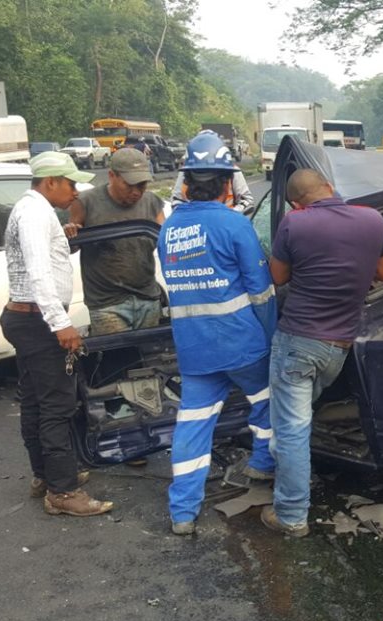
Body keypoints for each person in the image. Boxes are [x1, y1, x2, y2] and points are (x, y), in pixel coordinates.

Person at [261, 169, 383, 537]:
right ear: (331, 188)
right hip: (339, 347)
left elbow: (278, 277)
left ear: (295, 204)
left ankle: (290, 514)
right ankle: (289, 472)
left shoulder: (294, 223)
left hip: (298, 342)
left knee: (291, 429)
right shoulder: (373, 219)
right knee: (295, 423)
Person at [158, 133, 277, 535]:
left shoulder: (169, 230)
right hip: (243, 343)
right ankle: (262, 467)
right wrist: (272, 338)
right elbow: (260, 292)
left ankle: (183, 513)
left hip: (194, 348)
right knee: (266, 404)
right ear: (228, 183)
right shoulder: (234, 224)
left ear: (187, 182)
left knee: (193, 424)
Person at [0, 151, 112, 517]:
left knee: (34, 398)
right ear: (50, 182)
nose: (75, 193)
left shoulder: (36, 212)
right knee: (58, 405)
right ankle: (61, 493)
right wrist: (59, 323)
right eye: (70, 184)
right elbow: (37, 271)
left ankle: (45, 476)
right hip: (37, 320)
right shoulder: (34, 213)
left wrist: (59, 237)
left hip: (27, 318)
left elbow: (39, 256)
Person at [66, 147, 165, 335]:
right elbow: (70, 246)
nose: (136, 192)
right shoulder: (86, 202)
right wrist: (70, 233)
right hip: (106, 304)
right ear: (112, 176)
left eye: (142, 185)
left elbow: (166, 244)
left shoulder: (152, 202)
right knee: (119, 359)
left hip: (147, 297)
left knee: (147, 360)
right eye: (130, 185)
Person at [169, 132, 253, 212]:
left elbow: (247, 200)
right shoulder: (187, 170)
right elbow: (176, 200)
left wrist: (230, 214)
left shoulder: (230, 170)